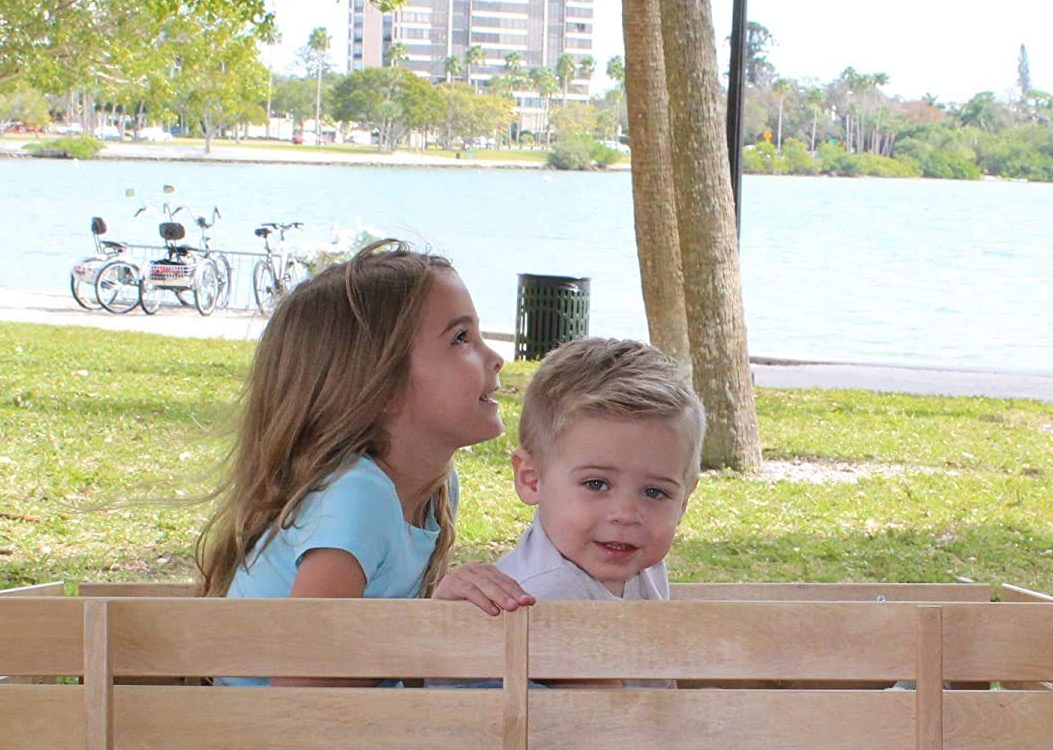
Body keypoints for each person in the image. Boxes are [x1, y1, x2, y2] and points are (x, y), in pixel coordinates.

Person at [194, 240, 532, 685]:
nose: (494, 357)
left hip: (329, 737)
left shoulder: (436, 484)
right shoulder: (357, 497)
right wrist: (430, 630)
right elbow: (306, 690)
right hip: (272, 744)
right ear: (382, 388)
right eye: (460, 338)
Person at [439, 335, 704, 609]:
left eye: (654, 492)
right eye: (597, 484)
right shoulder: (539, 599)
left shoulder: (640, 558)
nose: (626, 515)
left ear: (683, 500)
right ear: (532, 479)